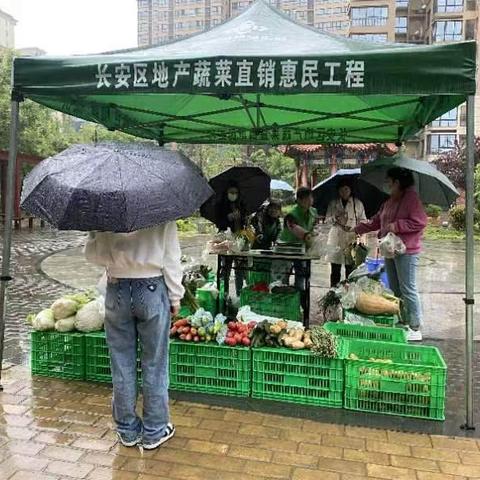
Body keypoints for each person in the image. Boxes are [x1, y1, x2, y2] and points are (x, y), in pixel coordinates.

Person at [85, 222, 183, 449]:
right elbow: (171, 257)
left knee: (121, 364)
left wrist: (95, 233)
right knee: (155, 363)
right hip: (151, 288)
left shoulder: (103, 211)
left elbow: (93, 256)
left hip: (116, 287)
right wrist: (175, 296)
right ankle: (154, 430)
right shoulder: (162, 210)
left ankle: (127, 430)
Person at [353, 167, 427, 342]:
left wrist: (398, 226)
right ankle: (403, 321)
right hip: (390, 250)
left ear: (397, 182)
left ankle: (415, 327)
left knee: (408, 288)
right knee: (395, 289)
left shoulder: (411, 199)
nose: (387, 185)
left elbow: (420, 222)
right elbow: (377, 220)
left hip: (406, 251)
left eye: (389, 181)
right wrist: (356, 229)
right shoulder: (390, 201)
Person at [325, 178, 366, 287]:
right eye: (341, 190)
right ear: (338, 191)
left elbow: (363, 220)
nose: (344, 192)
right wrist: (336, 217)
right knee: (335, 270)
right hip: (335, 238)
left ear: (351, 190)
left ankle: (349, 294)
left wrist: (356, 229)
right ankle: (333, 293)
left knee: (350, 270)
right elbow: (327, 221)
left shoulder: (358, 204)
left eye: (346, 189)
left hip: (351, 238)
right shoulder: (333, 203)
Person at [277, 187, 318, 294]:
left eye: (311, 198)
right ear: (299, 200)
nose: (310, 201)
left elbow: (315, 228)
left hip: (302, 250)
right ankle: (283, 298)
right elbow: (296, 230)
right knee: (283, 278)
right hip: (286, 249)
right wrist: (310, 237)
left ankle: (299, 300)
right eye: (306, 199)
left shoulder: (313, 211)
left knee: (301, 276)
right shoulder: (291, 214)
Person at [215, 181, 247, 297]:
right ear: (226, 193)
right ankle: (225, 295)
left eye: (236, 192)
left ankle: (239, 296)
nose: (233, 194)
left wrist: (241, 218)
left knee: (239, 269)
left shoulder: (241, 206)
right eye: (231, 192)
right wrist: (228, 218)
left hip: (239, 241)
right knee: (226, 269)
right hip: (225, 241)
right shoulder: (221, 206)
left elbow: (244, 224)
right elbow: (219, 223)